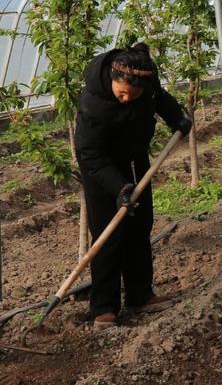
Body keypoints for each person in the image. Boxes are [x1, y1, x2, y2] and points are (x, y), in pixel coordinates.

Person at [74, 43, 193, 329]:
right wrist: (120, 188)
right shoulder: (94, 103)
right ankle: (104, 307)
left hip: (135, 160)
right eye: (122, 93)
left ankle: (140, 295)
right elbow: (90, 154)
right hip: (102, 170)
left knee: (140, 228)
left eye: (134, 95)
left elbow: (160, 99)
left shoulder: (146, 86)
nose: (127, 99)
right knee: (108, 234)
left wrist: (176, 117)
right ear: (113, 81)